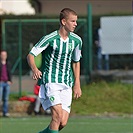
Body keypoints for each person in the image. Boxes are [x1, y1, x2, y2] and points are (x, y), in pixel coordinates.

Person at [27, 8, 82, 133]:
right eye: (72, 21)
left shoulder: (77, 41)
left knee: (62, 122)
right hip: (51, 81)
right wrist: (35, 69)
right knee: (56, 116)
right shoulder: (50, 38)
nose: (75, 24)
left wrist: (77, 83)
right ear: (63, 21)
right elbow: (31, 55)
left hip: (67, 83)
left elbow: (76, 61)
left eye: (76, 21)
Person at [0, 50, 12, 117]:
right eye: (2, 55)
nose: (4, 56)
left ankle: (5, 112)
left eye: (5, 55)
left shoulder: (8, 63)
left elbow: (10, 73)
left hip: (7, 83)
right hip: (0, 83)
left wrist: (10, 80)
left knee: (6, 99)